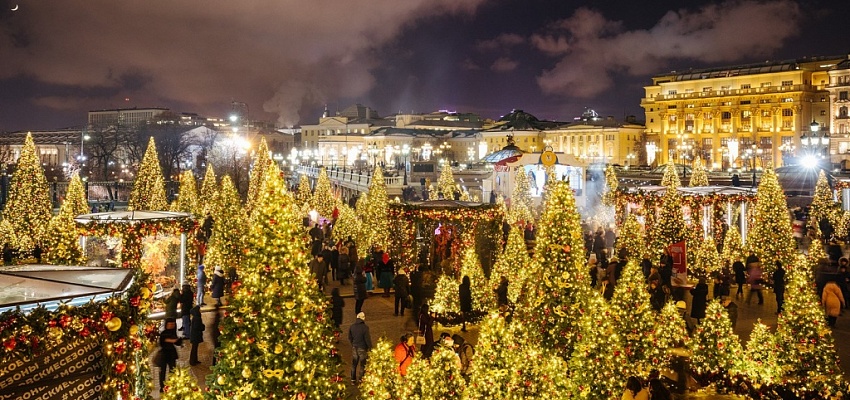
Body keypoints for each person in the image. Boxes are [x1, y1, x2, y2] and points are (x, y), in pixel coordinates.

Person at [158, 318, 182, 392]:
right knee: (163, 371)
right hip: (164, 354)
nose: (171, 326)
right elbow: (161, 343)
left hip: (171, 354)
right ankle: (162, 387)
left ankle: (172, 384)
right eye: (170, 324)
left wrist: (178, 340)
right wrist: (170, 340)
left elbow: (178, 343)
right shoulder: (164, 333)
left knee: (172, 370)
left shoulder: (173, 333)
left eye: (173, 324)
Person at [348, 312, 371, 384]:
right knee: (362, 364)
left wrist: (353, 344)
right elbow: (367, 339)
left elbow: (349, 337)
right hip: (362, 348)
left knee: (354, 364)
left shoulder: (352, 326)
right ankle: (361, 379)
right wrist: (370, 348)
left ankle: (353, 379)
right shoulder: (365, 328)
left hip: (355, 347)